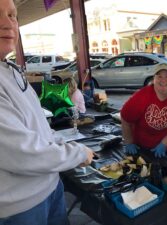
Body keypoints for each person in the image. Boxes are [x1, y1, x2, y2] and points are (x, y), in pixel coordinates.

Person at [0, 0, 94, 224]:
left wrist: (64, 144)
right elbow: (22, 152)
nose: (7, 24)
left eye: (12, 15)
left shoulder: (9, 71)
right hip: (21, 207)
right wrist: (78, 153)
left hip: (50, 187)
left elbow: (39, 128)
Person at [121, 63, 167, 158]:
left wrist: (165, 143)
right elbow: (125, 118)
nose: (163, 80)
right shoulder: (142, 96)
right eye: (159, 76)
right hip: (141, 148)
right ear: (153, 79)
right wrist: (129, 142)